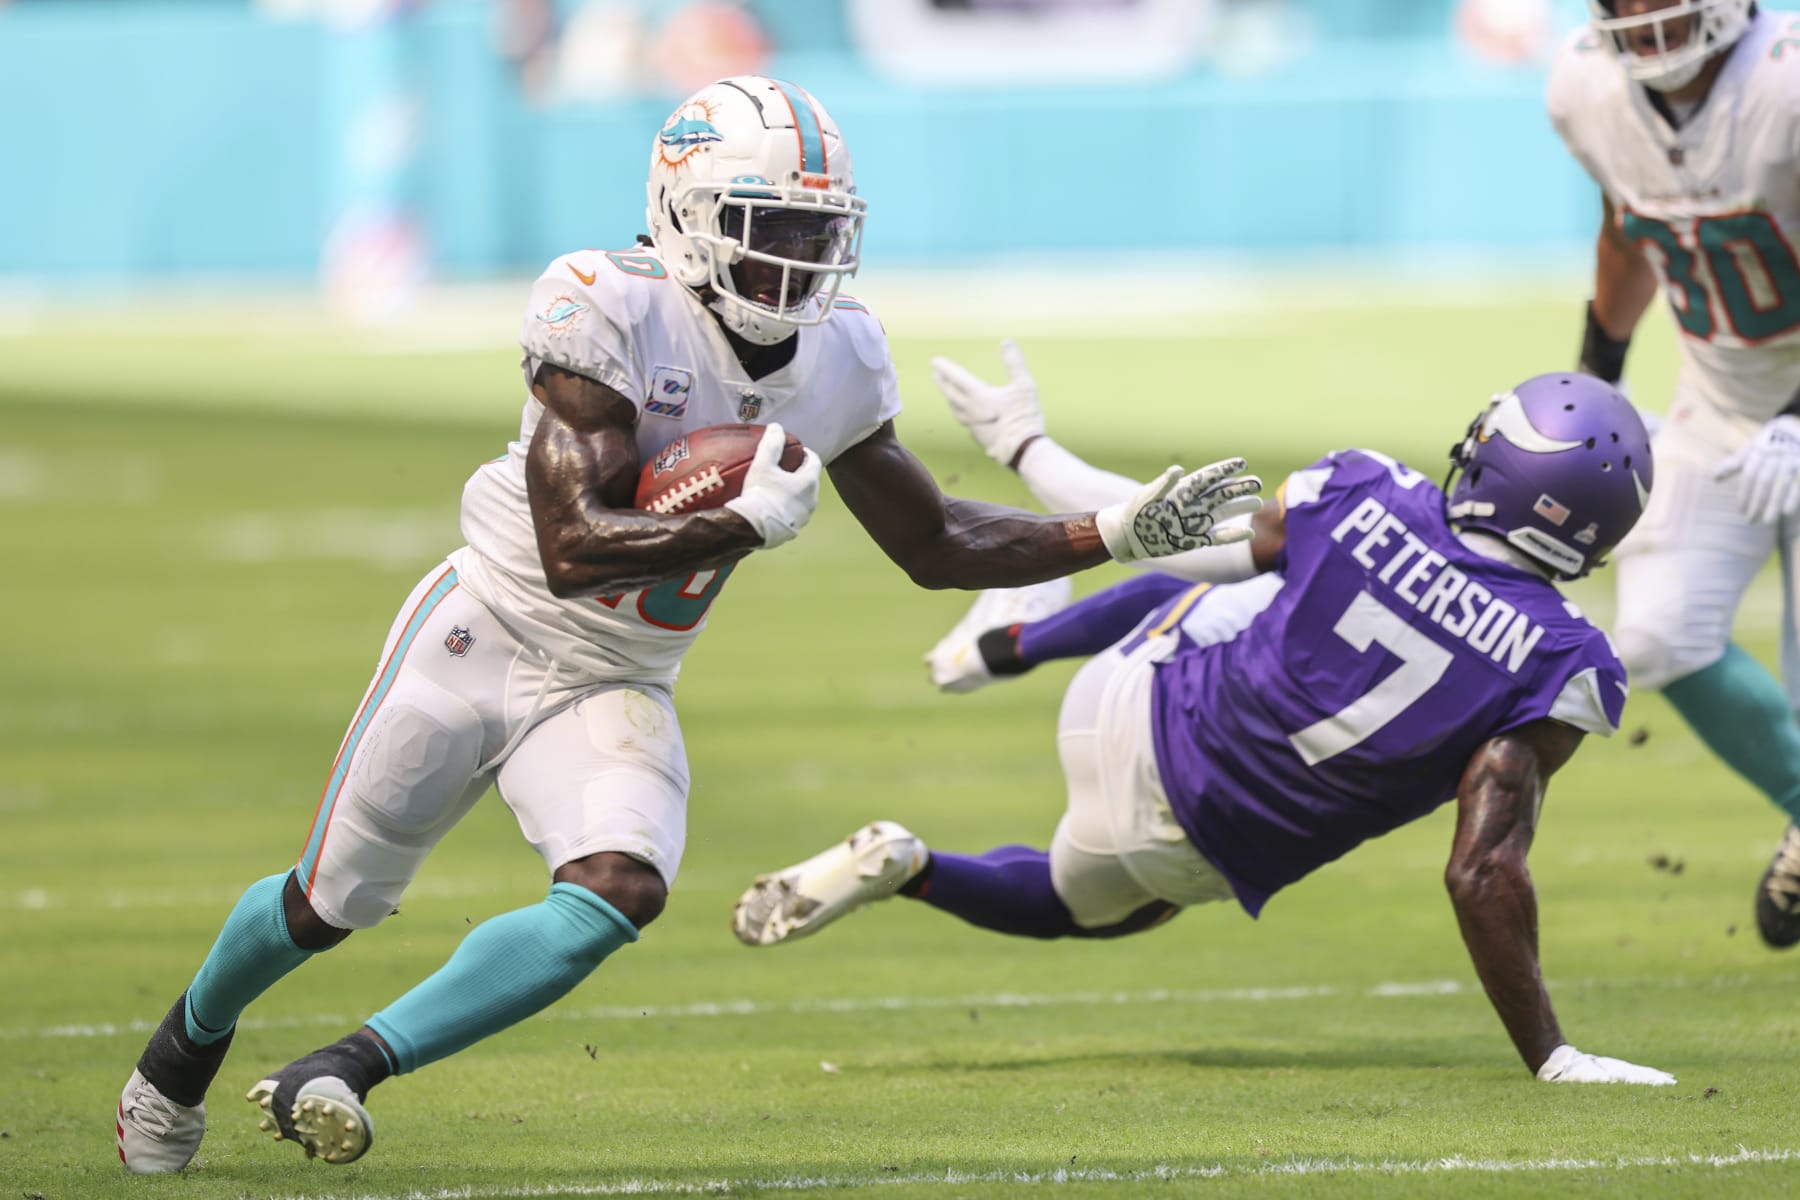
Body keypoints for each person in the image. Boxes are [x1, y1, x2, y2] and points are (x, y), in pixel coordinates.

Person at [114, 77, 1262, 1174]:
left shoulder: (842, 350)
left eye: (820, 234)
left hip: (621, 673)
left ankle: (348, 1067)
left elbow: (931, 545)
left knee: (619, 890)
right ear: (685, 211)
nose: (797, 260)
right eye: (770, 226)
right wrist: (742, 528)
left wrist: (1112, 529)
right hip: (488, 631)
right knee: (328, 903)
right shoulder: (605, 301)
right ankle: (182, 1053)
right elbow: (572, 548)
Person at [733, 359, 1680, 1086]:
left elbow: (1177, 536)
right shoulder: (1566, 664)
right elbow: (1482, 870)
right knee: (1090, 910)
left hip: (1121, 696)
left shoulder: (1364, 488)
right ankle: (914, 863)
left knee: (1230, 582)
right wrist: (1552, 1054)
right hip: (1175, 846)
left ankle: (1007, 644)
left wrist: (1027, 449)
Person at [1548, 0, 1800, 947]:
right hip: (1718, 402)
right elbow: (1632, 228)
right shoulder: (1585, 86)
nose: (1647, 17)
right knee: (1652, 636)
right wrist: (1594, 384)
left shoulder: (1785, 81)